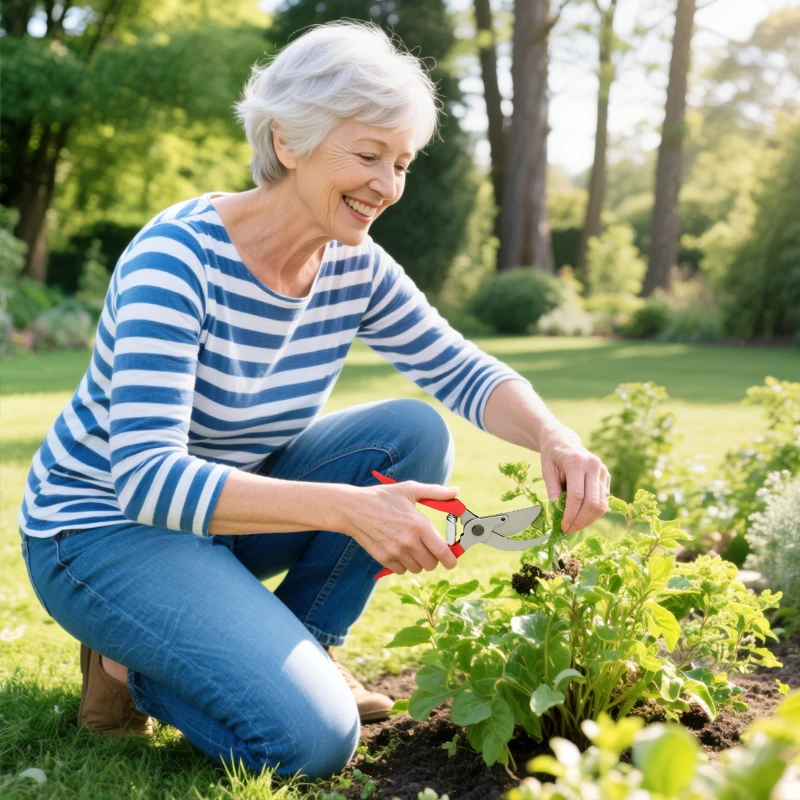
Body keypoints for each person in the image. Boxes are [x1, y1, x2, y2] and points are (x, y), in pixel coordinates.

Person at [18, 20, 610, 782]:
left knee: (409, 431)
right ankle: (130, 667)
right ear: (289, 141)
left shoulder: (351, 262)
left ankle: (301, 645)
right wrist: (349, 508)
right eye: (367, 155)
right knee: (312, 743)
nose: (389, 186)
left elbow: (459, 369)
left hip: (217, 522)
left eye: (401, 163)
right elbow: (146, 477)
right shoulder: (179, 259)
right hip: (103, 530)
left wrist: (553, 438)